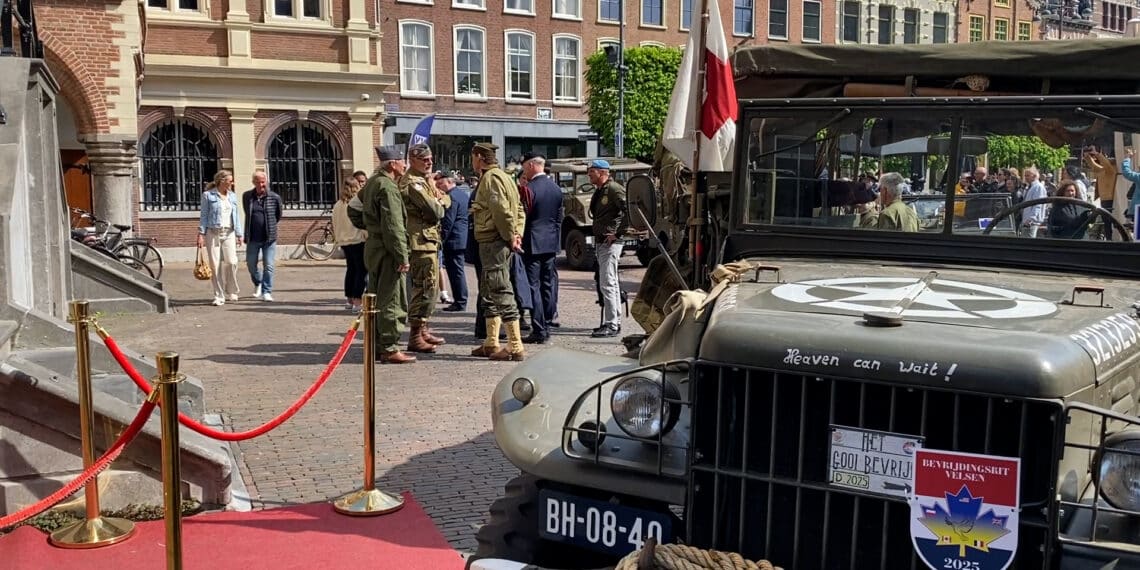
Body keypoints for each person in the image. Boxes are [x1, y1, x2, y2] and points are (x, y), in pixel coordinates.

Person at [347, 146, 416, 364]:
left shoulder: (372, 183)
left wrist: (369, 227)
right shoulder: (387, 187)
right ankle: (389, 347)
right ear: (392, 164)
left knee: (376, 297)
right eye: (401, 161)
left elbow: (353, 208)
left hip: (374, 248)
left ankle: (377, 344)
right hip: (388, 251)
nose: (404, 165)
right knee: (392, 298)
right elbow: (394, 225)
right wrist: (402, 255)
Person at [469, 141, 527, 361]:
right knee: (489, 289)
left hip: (494, 241)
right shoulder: (506, 177)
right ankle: (491, 342)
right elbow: (519, 208)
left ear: (479, 157)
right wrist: (517, 233)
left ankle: (514, 345)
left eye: (473, 157)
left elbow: (502, 211)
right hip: (497, 240)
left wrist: (510, 236)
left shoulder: (491, 178)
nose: (472, 161)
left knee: (500, 289)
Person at [399, 143, 449, 353]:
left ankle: (423, 328)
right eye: (424, 160)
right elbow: (436, 210)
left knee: (429, 286)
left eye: (430, 159)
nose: (429, 163)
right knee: (425, 287)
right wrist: (442, 201)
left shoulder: (424, 180)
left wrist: (441, 199)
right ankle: (415, 335)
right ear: (413, 160)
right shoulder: (413, 183)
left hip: (428, 240)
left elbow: (442, 198)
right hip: (419, 242)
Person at [519, 152, 562, 344]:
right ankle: (548, 319)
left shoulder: (529, 189)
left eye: (524, 167)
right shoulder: (556, 188)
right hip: (551, 242)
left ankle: (539, 327)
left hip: (533, 242)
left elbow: (523, 217)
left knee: (533, 285)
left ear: (530, 166)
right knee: (547, 284)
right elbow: (559, 217)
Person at [588, 159, 627, 338]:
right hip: (602, 242)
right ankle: (613, 321)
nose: (589, 174)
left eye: (592, 171)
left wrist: (618, 234)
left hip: (610, 243)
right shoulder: (601, 190)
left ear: (603, 172)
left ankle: (612, 324)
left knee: (608, 283)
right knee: (608, 282)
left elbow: (629, 211)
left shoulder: (613, 189)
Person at [197, 170, 244, 306]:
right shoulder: (208, 196)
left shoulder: (232, 196)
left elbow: (236, 216)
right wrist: (201, 234)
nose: (232, 183)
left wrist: (239, 234)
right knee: (215, 264)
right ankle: (218, 295)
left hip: (229, 232)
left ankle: (232, 290)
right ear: (222, 181)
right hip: (213, 232)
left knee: (232, 262)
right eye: (230, 180)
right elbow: (204, 216)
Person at [241, 169, 283, 302]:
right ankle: (257, 282)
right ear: (253, 182)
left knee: (269, 265)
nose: (261, 185)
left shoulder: (274, 197)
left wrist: (269, 226)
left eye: (263, 182)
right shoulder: (247, 196)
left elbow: (278, 215)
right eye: (258, 182)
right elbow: (247, 213)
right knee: (251, 264)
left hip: (269, 238)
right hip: (253, 237)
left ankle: (267, 291)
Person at [437, 171, 470, 312]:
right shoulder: (462, 194)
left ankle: (460, 301)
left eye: (441, 183)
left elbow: (448, 221)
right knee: (457, 271)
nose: (439, 186)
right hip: (460, 238)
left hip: (454, 240)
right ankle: (460, 299)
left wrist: (441, 239)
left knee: (456, 272)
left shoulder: (452, 197)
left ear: (450, 182)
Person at [333, 177, 367, 311]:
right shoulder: (355, 204)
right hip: (357, 239)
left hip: (344, 241)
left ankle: (349, 299)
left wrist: (338, 239)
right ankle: (357, 301)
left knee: (351, 269)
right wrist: (366, 235)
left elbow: (335, 223)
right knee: (361, 270)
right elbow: (361, 222)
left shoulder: (337, 205)